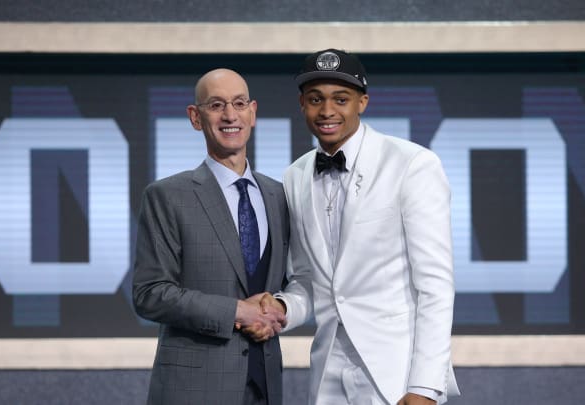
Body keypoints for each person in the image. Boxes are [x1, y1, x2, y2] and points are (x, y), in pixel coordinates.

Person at [264, 49, 460, 404]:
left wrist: (425, 386)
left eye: (341, 99)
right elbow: (309, 280)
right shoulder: (295, 176)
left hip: (396, 376)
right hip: (328, 376)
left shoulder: (412, 164)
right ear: (301, 104)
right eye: (315, 100)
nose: (327, 111)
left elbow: (435, 284)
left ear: (363, 102)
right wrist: (282, 308)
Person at [132, 68, 289, 405]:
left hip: (265, 385)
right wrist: (237, 311)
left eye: (239, 103)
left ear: (253, 112)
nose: (230, 115)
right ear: (195, 117)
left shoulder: (279, 196)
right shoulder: (168, 195)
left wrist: (278, 307)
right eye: (216, 105)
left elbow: (293, 283)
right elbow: (150, 293)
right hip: (193, 389)